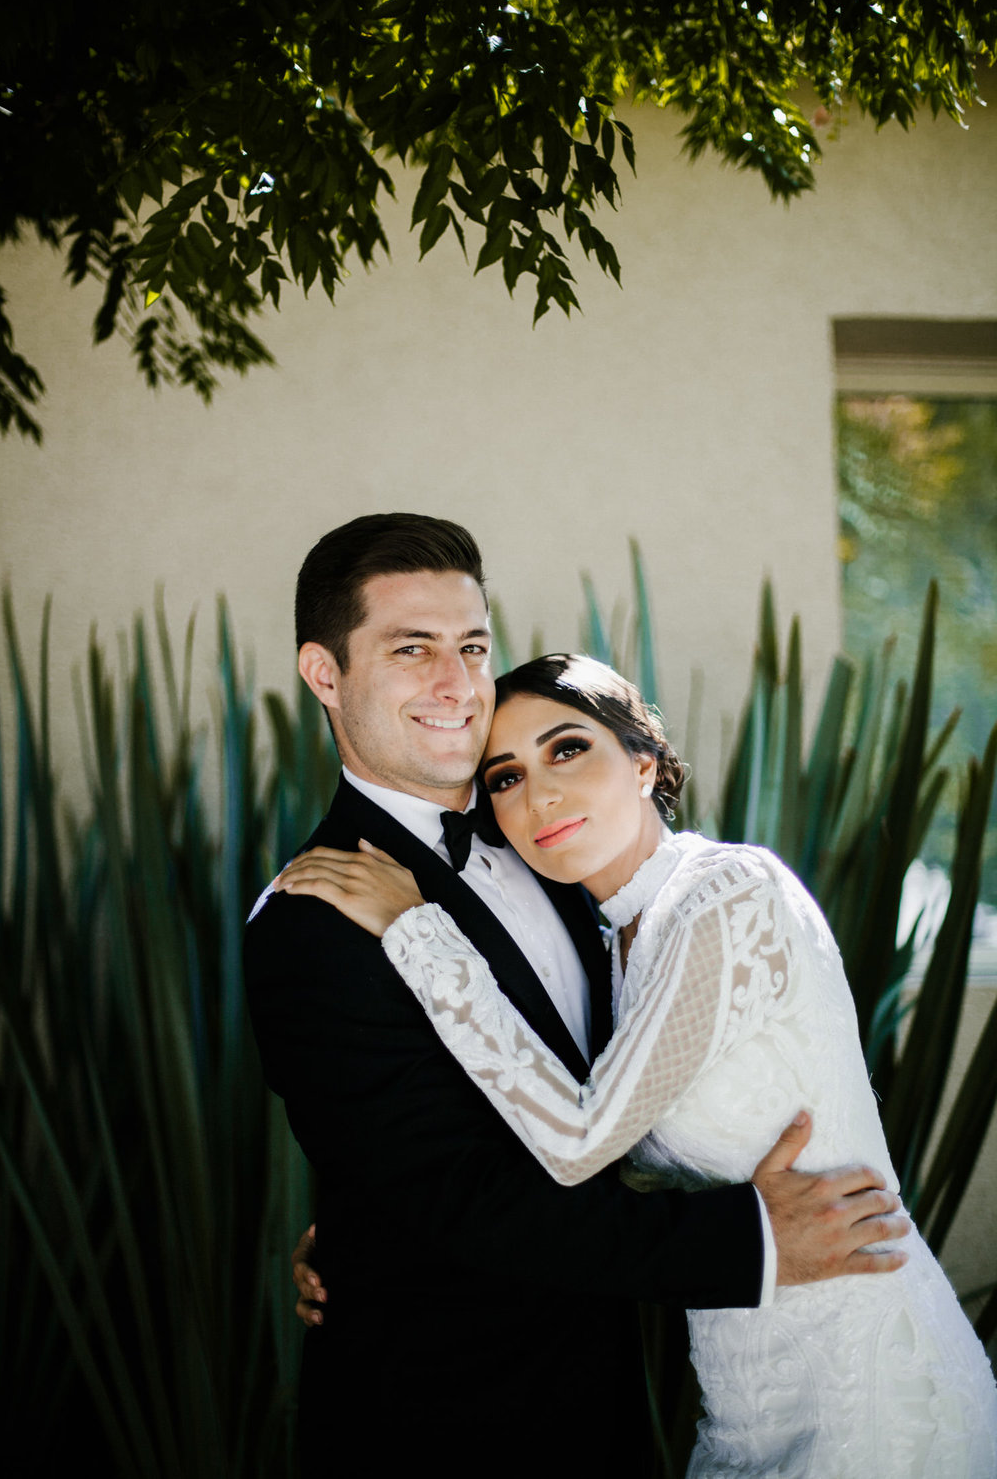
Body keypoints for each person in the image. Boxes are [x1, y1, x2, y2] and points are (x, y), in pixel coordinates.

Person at [244, 515, 909, 1479]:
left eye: (471, 646)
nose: (453, 681)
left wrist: (366, 1217)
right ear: (324, 674)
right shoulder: (314, 918)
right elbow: (463, 1201)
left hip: (617, 1405)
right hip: (445, 1427)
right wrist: (755, 1242)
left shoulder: (546, 834)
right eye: (409, 649)